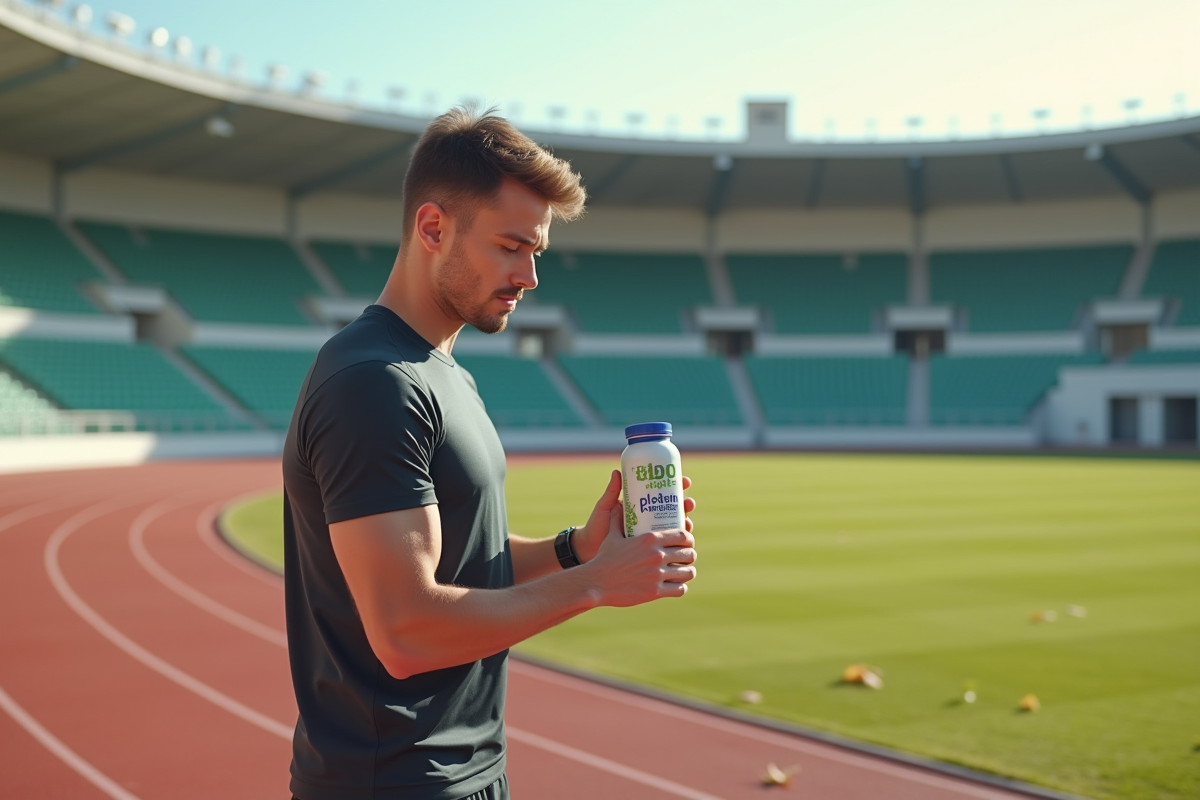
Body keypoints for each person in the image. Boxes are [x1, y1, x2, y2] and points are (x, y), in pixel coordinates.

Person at [281, 106, 698, 800]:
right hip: (392, 784)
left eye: (536, 250)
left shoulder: (443, 372)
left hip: (463, 771)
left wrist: (576, 550)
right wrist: (595, 586)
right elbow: (407, 631)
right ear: (433, 228)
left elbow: (459, 555)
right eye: (510, 246)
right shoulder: (373, 384)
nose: (530, 276)